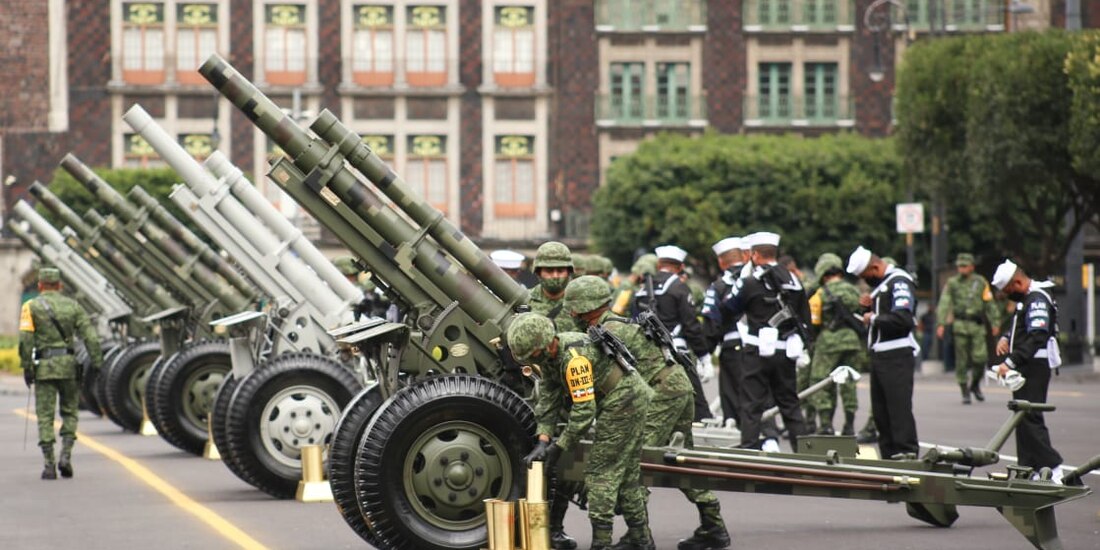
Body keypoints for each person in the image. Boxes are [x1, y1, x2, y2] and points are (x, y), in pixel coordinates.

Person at [565, 276, 729, 550]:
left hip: (661, 393)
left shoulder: (606, 332)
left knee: (637, 463)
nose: (570, 314)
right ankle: (714, 526)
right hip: (679, 388)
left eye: (572, 308)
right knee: (680, 461)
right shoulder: (618, 324)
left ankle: (638, 535)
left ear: (583, 308)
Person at [508, 313, 651, 550]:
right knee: (626, 477)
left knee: (600, 475)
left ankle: (601, 544)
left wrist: (559, 446)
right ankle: (641, 540)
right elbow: (549, 399)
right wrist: (543, 440)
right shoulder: (551, 358)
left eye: (532, 355)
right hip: (618, 400)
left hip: (625, 401)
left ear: (545, 345)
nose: (532, 360)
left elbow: (584, 412)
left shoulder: (574, 361)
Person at [717, 232, 810, 451]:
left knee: (751, 405)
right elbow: (804, 315)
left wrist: (742, 282)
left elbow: (728, 307)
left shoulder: (750, 282)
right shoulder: (793, 280)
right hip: (786, 351)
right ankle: (805, 454)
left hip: (757, 352)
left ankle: (749, 451)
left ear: (755, 255)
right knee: (790, 405)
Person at [19, 267, 103, 479]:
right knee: (70, 412)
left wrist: (27, 367)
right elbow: (91, 338)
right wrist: (97, 363)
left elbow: (25, 340)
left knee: (45, 416)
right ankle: (66, 455)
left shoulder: (30, 307)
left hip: (44, 368)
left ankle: (49, 464)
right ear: (59, 285)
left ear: (40, 285)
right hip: (68, 367)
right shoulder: (74, 306)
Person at [989, 260, 1066, 482]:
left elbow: (1037, 335)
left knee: (1030, 417)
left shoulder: (1037, 299)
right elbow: (1021, 326)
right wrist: (1006, 337)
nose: (1007, 295)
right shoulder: (1027, 299)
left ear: (1017, 282)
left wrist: (1010, 362)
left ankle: (1052, 467)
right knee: (1020, 418)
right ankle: (1028, 468)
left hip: (1034, 366)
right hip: (1026, 365)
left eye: (1007, 290)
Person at [847, 246, 920, 459]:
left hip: (896, 356)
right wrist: (867, 309)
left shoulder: (899, 282)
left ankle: (907, 457)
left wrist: (874, 318)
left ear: (875, 267)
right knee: (882, 415)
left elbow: (903, 319)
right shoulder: (883, 286)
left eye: (865, 276)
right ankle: (889, 460)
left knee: (898, 412)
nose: (865, 280)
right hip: (880, 356)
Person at [632, 245, 712, 420]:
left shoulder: (643, 288)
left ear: (659, 264)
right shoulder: (679, 287)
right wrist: (703, 355)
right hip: (676, 351)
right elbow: (691, 325)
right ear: (680, 266)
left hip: (647, 352)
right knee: (694, 399)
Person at [806, 253, 864, 435]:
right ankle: (849, 424)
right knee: (849, 383)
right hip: (852, 341)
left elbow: (814, 321)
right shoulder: (854, 290)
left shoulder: (820, 293)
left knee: (821, 382)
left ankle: (826, 425)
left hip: (828, 342)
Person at [936, 253, 1000, 404]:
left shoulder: (980, 282)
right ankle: (964, 389)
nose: (961, 269)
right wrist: (941, 323)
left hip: (977, 326)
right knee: (962, 361)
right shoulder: (952, 283)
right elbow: (944, 302)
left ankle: (975, 384)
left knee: (980, 358)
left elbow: (989, 303)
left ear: (972, 266)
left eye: (964, 266)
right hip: (960, 326)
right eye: (959, 266)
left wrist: (995, 322)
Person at [702, 237, 747, 427]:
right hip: (763, 347)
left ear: (721, 262)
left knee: (731, 395)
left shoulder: (719, 286)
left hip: (732, 346)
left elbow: (712, 322)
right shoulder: (759, 279)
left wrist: (705, 353)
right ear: (744, 256)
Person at [529, 241, 575, 330]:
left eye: (560, 271)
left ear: (568, 272)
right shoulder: (525, 300)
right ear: (538, 272)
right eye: (549, 271)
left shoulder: (580, 301)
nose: (555, 276)